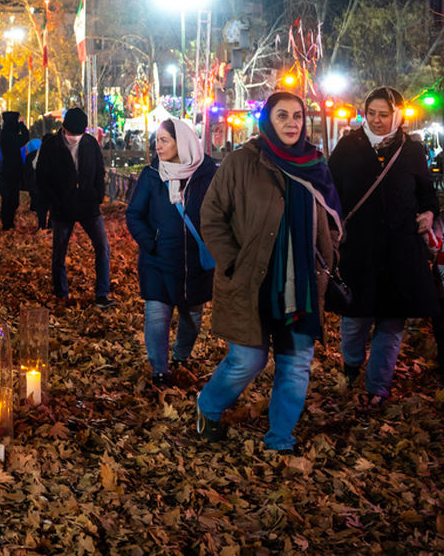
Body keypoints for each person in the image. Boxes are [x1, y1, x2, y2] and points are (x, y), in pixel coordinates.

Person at [196, 91, 341, 453]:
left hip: (302, 284)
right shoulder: (242, 161)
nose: (292, 123)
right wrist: (230, 261)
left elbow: (334, 219)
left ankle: (280, 439)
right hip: (252, 282)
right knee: (247, 360)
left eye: (297, 116)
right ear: (267, 121)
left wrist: (329, 257)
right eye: (282, 116)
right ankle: (209, 406)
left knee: (295, 366)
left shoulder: (316, 166)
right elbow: (212, 216)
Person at [327, 86, 439, 406]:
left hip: (401, 252)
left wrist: (429, 213)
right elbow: (329, 192)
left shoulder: (412, 150)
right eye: (371, 113)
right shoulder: (348, 146)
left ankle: (377, 387)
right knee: (354, 321)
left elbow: (427, 194)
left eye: (384, 114)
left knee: (391, 322)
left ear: (397, 116)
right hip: (358, 252)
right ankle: (351, 364)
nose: (376, 120)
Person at [125, 118, 217, 385]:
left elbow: (222, 212)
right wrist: (151, 241)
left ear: (182, 142)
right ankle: (160, 371)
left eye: (164, 140)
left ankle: (181, 356)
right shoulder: (152, 175)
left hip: (194, 262)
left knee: (192, 318)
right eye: (157, 140)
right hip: (158, 259)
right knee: (156, 314)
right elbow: (134, 214)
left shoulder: (207, 174)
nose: (158, 146)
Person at [37, 108, 113, 308]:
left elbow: (99, 171)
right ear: (64, 129)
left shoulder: (90, 143)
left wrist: (98, 194)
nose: (74, 138)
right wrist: (55, 200)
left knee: (103, 247)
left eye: (78, 134)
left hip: (88, 204)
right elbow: (42, 178)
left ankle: (102, 293)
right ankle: (61, 292)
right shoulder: (51, 145)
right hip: (62, 207)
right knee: (59, 251)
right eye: (71, 134)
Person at [0, 111, 30, 231]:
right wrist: (22, 125)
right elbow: (25, 137)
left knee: (10, 199)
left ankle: (8, 222)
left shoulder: (5, 134)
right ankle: (7, 223)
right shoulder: (9, 135)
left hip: (8, 170)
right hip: (11, 171)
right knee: (10, 199)